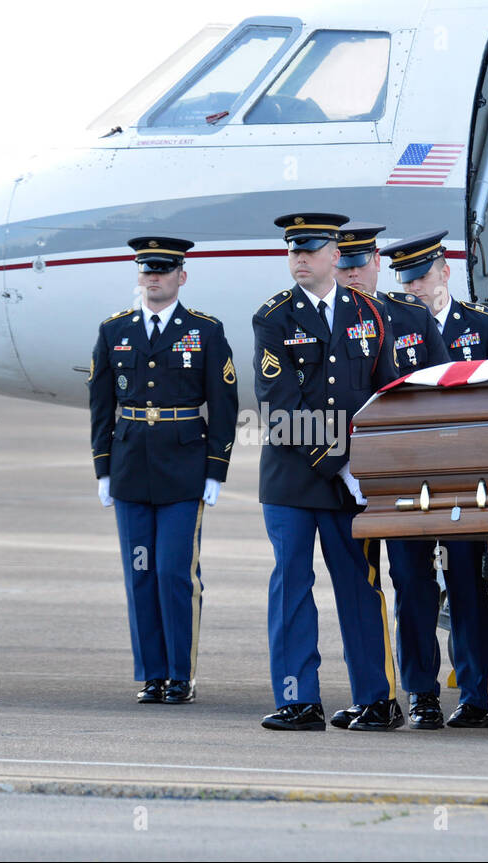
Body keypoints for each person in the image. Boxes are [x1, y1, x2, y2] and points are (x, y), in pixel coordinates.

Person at [253, 212, 401, 731]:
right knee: (292, 586)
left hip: (354, 485)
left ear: (335, 256)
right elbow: (280, 408)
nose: (298, 258)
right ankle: (298, 700)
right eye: (293, 249)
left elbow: (386, 397)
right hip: (295, 481)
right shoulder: (273, 318)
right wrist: (340, 464)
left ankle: (376, 700)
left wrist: (372, 468)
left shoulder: (369, 313)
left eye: (309, 249)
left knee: (360, 589)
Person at [88, 237, 239, 705]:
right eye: (147, 269)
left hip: (182, 467)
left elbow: (225, 403)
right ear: (139, 275)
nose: (155, 276)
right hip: (131, 464)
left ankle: (181, 674)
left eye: (164, 269)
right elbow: (100, 402)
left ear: (181, 276)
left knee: (175, 571)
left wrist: (216, 469)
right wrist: (102, 467)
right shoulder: (115, 331)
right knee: (141, 573)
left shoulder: (206, 332)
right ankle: (151, 674)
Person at [370, 230, 488, 728]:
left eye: (422, 277)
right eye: (405, 280)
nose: (414, 289)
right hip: (408, 479)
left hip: (464, 479)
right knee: (411, 585)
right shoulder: (388, 324)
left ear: (445, 272)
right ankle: (422, 693)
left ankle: (475, 696)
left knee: (468, 586)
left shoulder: (480, 327)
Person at [331, 223, 455, 729]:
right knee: (360, 588)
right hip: (345, 477)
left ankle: (423, 692)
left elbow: (440, 391)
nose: (353, 273)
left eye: (360, 264)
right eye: (343, 265)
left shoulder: (411, 318)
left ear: (378, 264)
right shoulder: (326, 321)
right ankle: (373, 696)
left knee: (412, 582)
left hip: (404, 479)